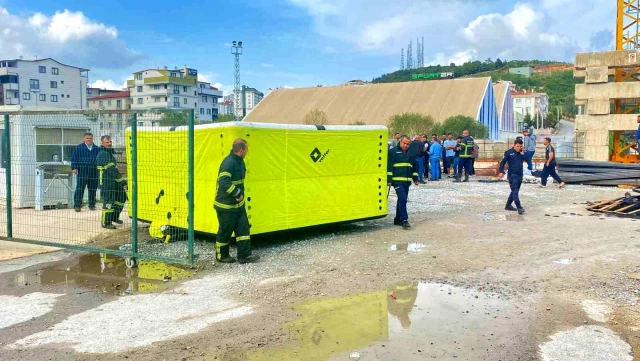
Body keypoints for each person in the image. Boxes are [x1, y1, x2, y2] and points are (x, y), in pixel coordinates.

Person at [214, 138, 260, 264]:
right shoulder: (229, 163)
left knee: (243, 229)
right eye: (246, 149)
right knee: (225, 231)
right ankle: (221, 255)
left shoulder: (239, 161)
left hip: (238, 205)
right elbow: (224, 181)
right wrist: (237, 193)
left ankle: (244, 256)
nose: (247, 152)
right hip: (225, 206)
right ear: (241, 150)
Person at [388, 135, 419, 229]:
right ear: (400, 142)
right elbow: (389, 166)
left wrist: (415, 179)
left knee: (401, 199)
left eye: (407, 144)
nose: (405, 145)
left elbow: (414, 166)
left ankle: (397, 219)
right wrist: (389, 180)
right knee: (403, 199)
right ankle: (404, 220)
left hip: (407, 182)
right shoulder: (393, 152)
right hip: (397, 181)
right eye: (404, 143)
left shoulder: (410, 153)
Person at [96, 135, 127, 229]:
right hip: (107, 182)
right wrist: (123, 181)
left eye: (110, 142)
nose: (109, 143)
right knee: (109, 202)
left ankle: (114, 217)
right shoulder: (103, 154)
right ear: (102, 143)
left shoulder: (109, 153)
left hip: (114, 181)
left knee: (122, 197)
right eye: (107, 142)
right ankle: (106, 222)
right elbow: (111, 170)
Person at [71, 133, 100, 212]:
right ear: (84, 139)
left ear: (92, 139)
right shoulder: (79, 148)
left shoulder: (97, 149)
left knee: (92, 189)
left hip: (94, 172)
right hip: (82, 171)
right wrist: (74, 167)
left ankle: (92, 205)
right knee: (80, 188)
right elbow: (74, 158)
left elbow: (100, 160)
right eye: (87, 138)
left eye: (90, 138)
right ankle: (77, 205)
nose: (89, 139)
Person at [498, 139, 526, 215]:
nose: (518, 148)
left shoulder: (521, 153)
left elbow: (527, 160)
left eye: (520, 146)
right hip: (512, 175)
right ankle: (519, 207)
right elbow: (502, 162)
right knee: (515, 191)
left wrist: (523, 152)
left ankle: (508, 205)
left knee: (514, 191)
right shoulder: (509, 152)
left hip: (520, 174)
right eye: (517, 146)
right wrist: (501, 171)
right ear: (514, 145)